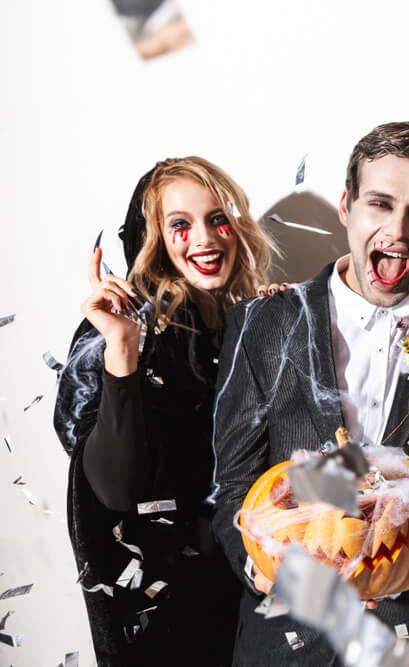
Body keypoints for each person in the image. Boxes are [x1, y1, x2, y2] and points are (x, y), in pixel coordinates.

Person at [211, 121, 409, 665]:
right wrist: (270, 568)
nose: (398, 229)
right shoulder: (265, 321)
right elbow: (232, 487)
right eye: (380, 203)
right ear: (347, 205)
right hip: (287, 642)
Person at [54, 156, 277, 665]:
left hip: (247, 594)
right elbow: (114, 488)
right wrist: (122, 351)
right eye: (180, 224)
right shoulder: (119, 332)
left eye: (218, 218)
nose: (205, 237)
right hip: (167, 620)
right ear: (151, 240)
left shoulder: (242, 323)